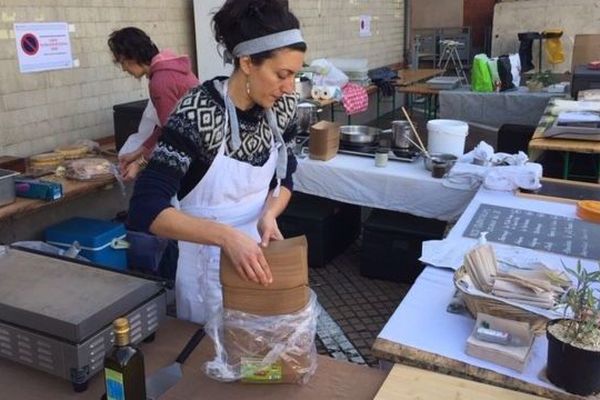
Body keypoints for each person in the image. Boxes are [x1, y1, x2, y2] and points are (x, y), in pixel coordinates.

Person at [127, 0, 306, 324]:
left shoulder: (283, 109)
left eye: (294, 75)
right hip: (204, 269)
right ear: (248, 62)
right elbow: (146, 208)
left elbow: (286, 178)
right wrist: (226, 236)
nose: (289, 87)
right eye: (282, 74)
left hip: (256, 259)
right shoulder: (199, 112)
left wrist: (269, 213)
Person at [108, 27, 199, 181]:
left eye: (121, 61)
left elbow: (171, 133)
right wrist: (139, 152)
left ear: (132, 56)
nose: (123, 69)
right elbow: (168, 125)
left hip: (194, 154)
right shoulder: (170, 68)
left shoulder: (160, 81)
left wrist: (140, 163)